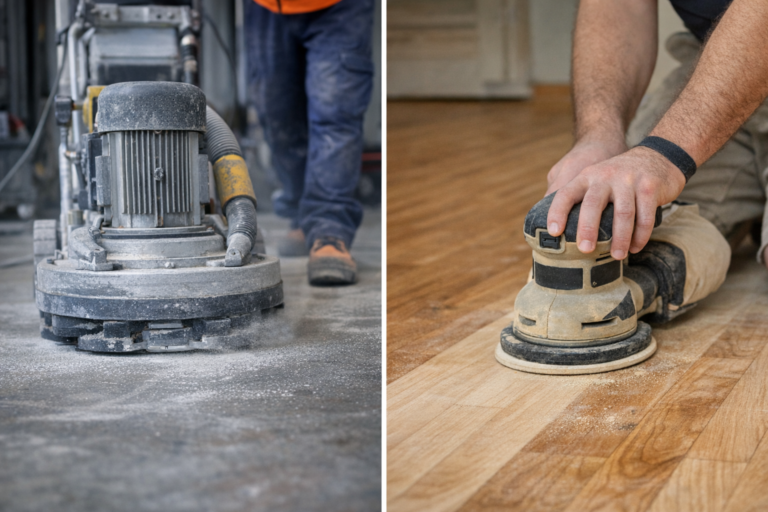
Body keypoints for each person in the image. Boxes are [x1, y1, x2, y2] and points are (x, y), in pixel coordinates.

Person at [544, 0, 768, 269]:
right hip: (717, 66)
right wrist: (599, 136)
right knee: (628, 236)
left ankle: (747, 198)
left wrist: (664, 155)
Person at [244, 0, 374, 285]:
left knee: (335, 113)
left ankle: (330, 230)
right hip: (267, 8)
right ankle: (303, 214)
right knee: (278, 115)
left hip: (340, 8)